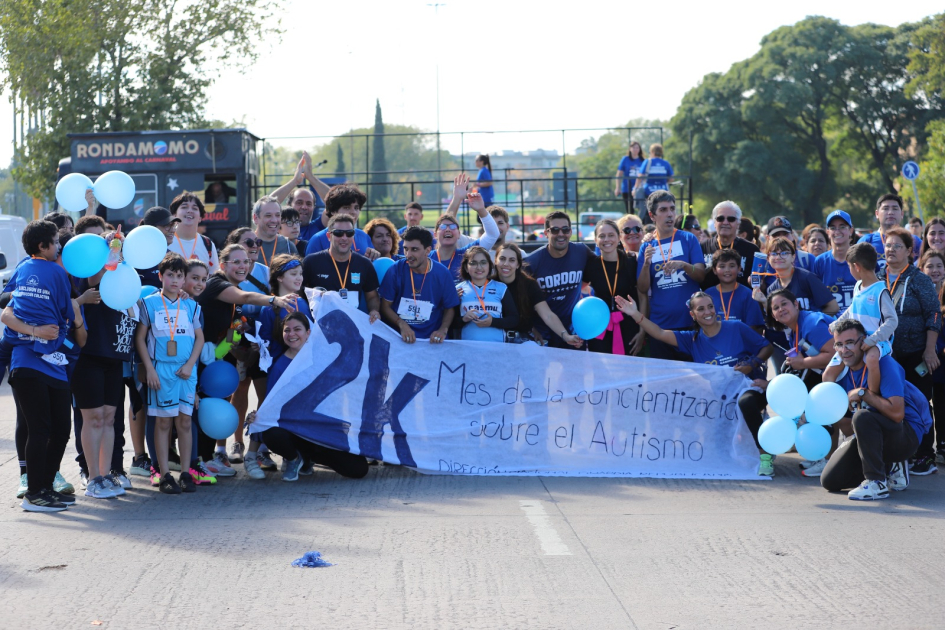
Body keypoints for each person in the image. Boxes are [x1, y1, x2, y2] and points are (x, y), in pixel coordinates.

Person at [615, 292, 774, 472]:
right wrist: (635, 314)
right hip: (722, 402)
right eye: (701, 309)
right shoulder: (691, 340)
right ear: (693, 314)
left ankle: (765, 457)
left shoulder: (736, 327)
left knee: (746, 403)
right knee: (717, 454)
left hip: (751, 389)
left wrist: (752, 364)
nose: (708, 312)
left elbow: (767, 347)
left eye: (710, 307)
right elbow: (659, 333)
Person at [194, 244, 299, 474]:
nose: (244, 266)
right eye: (237, 262)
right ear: (223, 265)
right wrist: (274, 300)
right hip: (196, 357)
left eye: (246, 262)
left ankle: (206, 459)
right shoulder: (217, 284)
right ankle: (198, 462)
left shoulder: (235, 291)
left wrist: (244, 347)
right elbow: (246, 296)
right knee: (199, 407)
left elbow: (234, 328)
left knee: (209, 404)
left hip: (212, 359)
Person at [5, 221, 78, 511]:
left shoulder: (23, 268)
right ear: (42, 246)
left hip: (47, 362)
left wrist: (29, 327)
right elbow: (65, 311)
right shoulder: (56, 272)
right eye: (56, 242)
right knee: (45, 429)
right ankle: (34, 493)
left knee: (56, 429)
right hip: (30, 361)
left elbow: (7, 307)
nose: (59, 247)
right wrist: (38, 330)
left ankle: (45, 487)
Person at [246, 312, 369, 480]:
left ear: (308, 333)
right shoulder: (280, 367)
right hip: (295, 432)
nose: (292, 334)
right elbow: (271, 406)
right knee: (272, 434)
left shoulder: (322, 359)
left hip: (322, 430)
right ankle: (294, 459)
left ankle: (309, 459)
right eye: (287, 330)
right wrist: (256, 418)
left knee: (358, 469)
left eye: (297, 329)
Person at [820, 320, 932, 500]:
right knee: (830, 481)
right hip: (875, 432)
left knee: (862, 417)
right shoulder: (840, 371)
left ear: (863, 342)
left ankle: (876, 482)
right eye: (839, 344)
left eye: (850, 342)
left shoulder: (884, 363)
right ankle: (888, 466)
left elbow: (897, 414)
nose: (844, 350)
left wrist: (863, 393)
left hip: (906, 433)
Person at [136, 253, 205, 494]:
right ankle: (164, 474)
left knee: (185, 421)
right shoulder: (149, 303)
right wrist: (150, 369)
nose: (175, 280)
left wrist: (190, 365)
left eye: (179, 276)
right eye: (170, 275)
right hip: (161, 370)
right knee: (163, 422)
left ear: (184, 279)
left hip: (186, 371)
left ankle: (186, 473)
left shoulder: (192, 305)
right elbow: (140, 338)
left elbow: (200, 338)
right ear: (160, 276)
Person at [71, 253, 137, 499]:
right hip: (88, 357)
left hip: (114, 356)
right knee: (94, 418)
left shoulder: (124, 275)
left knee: (109, 418)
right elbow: (93, 279)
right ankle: (92, 478)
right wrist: (108, 255)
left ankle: (105, 474)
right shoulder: (89, 274)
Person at [877, 227, 940, 475]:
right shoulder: (877, 278)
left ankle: (925, 455)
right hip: (885, 356)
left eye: (897, 246)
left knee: (919, 402)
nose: (891, 250)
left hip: (915, 354)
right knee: (889, 404)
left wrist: (930, 350)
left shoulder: (919, 279)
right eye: (888, 245)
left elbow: (934, 315)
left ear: (909, 251)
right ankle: (896, 455)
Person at [822, 243, 897, 400]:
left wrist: (872, 340)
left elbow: (892, 321)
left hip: (876, 342)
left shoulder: (880, 291)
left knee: (871, 359)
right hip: (854, 340)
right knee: (828, 374)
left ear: (856, 267)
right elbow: (852, 309)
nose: (849, 270)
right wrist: (837, 323)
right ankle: (834, 405)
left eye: (849, 266)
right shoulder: (858, 286)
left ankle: (871, 399)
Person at [636, 191, 706, 360]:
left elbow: (701, 275)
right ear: (652, 216)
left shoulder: (688, 239)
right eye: (663, 210)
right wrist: (646, 265)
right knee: (663, 376)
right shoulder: (647, 246)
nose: (669, 214)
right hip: (660, 326)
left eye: (672, 209)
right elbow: (643, 288)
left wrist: (684, 265)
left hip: (690, 322)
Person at [523, 211, 592, 349]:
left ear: (570, 232)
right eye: (555, 230)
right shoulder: (531, 262)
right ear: (546, 233)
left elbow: (599, 271)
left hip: (573, 330)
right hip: (542, 333)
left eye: (565, 229)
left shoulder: (581, 251)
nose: (561, 234)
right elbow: (519, 299)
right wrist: (530, 327)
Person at [379, 227, 458, 344]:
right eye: (406, 249)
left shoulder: (442, 273)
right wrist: (401, 323)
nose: (408, 255)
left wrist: (443, 330)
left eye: (414, 249)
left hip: (432, 341)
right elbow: (385, 306)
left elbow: (450, 307)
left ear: (427, 250)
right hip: (400, 339)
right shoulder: (395, 270)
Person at [494, 243, 582, 347]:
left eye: (512, 260)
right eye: (502, 259)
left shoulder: (529, 284)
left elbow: (547, 315)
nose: (506, 264)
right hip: (494, 340)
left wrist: (566, 336)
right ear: (495, 261)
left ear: (518, 264)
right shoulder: (488, 283)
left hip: (522, 342)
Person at [302, 213, 381, 320]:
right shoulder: (311, 262)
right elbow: (299, 292)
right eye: (338, 233)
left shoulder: (364, 264)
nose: (344, 238)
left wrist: (374, 310)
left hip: (352, 323)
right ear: (329, 236)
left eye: (349, 233)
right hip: (320, 324)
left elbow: (372, 296)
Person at [583, 219, 643, 355]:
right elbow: (577, 290)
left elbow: (642, 296)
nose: (606, 239)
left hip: (629, 328)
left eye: (611, 235)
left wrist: (642, 331)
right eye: (602, 236)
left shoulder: (632, 262)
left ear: (619, 237)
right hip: (599, 329)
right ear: (595, 240)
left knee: (629, 367)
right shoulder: (591, 265)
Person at [764, 289, 835, 388]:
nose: (781, 309)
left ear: (796, 304)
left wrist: (802, 363)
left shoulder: (812, 324)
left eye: (784, 304)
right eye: (776, 308)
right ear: (774, 316)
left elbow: (835, 355)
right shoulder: (794, 333)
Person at [754, 237, 838, 315]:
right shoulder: (772, 289)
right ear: (768, 259)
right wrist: (764, 302)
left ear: (793, 257)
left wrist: (815, 322)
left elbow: (833, 307)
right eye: (774, 253)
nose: (778, 257)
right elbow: (776, 320)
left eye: (784, 253)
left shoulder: (806, 278)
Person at [453, 246, 519, 342]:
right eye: (473, 263)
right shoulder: (458, 289)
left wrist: (493, 322)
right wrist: (464, 319)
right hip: (467, 347)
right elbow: (450, 323)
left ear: (490, 266)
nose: (479, 267)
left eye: (483, 262)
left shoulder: (501, 288)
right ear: (466, 267)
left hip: (496, 346)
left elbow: (514, 320)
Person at [431, 192, 499, 280]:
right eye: (443, 227)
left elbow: (492, 235)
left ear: (459, 234)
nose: (448, 229)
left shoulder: (466, 254)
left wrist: (481, 210)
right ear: (435, 234)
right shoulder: (426, 258)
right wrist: (457, 198)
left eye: (453, 227)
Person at [305, 184, 379, 259]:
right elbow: (310, 265)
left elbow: (371, 265)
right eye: (347, 208)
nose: (353, 212)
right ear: (333, 211)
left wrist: (374, 256)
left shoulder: (364, 236)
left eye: (356, 208)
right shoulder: (318, 239)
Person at [270, 152, 333, 240]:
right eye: (299, 203)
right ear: (289, 205)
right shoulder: (278, 228)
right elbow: (267, 204)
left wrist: (311, 177)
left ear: (314, 207)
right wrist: (295, 181)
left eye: (309, 204)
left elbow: (336, 203)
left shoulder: (318, 227)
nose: (304, 207)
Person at [701, 200, 759, 288]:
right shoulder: (702, 248)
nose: (725, 222)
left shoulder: (751, 250)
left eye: (731, 219)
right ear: (714, 223)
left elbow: (760, 285)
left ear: (738, 224)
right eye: (720, 218)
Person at [858, 193, 921, 268]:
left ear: (902, 214)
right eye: (885, 208)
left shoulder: (915, 241)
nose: (890, 212)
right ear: (877, 214)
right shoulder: (866, 241)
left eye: (895, 209)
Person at [708, 250, 765, 333]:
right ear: (714, 270)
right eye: (722, 266)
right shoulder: (708, 294)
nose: (727, 270)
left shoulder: (748, 294)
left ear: (739, 269)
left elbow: (754, 329)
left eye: (732, 266)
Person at [813, 210, 858, 312]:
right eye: (833, 228)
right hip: (831, 320)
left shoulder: (861, 257)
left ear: (851, 231)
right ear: (828, 232)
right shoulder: (820, 261)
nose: (837, 231)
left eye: (842, 227)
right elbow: (816, 297)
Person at [167, 192, 219, 272]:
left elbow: (214, 275)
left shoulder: (208, 244)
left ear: (200, 218)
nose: (190, 211)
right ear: (174, 215)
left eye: (194, 208)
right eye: (184, 207)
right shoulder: (165, 242)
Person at [137, 207, 178, 289]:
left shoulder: (173, 257)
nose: (172, 230)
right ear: (151, 228)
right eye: (167, 226)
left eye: (173, 225)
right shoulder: (135, 256)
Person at [632, 143, 674, 224]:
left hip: (649, 191)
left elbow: (640, 177)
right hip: (663, 191)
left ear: (652, 152)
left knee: (648, 211)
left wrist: (635, 188)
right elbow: (671, 178)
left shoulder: (647, 162)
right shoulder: (665, 163)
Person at [252, 195, 298, 267]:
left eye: (277, 215)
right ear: (255, 218)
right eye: (268, 215)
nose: (274, 220)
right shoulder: (247, 244)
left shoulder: (288, 246)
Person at [614, 141, 646, 214]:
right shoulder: (625, 159)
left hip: (640, 189)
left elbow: (645, 175)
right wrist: (617, 188)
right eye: (633, 147)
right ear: (630, 149)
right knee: (629, 210)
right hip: (627, 189)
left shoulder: (643, 160)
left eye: (637, 148)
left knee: (643, 210)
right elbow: (619, 174)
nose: (635, 149)